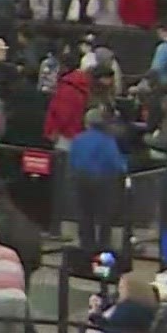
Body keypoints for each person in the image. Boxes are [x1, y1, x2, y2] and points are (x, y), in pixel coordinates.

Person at [68, 108, 128, 257]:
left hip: (82, 178)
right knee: (104, 215)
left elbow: (73, 160)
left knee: (84, 213)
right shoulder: (107, 140)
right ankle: (103, 245)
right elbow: (116, 164)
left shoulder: (78, 139)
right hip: (104, 180)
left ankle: (86, 245)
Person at [88, 271, 158, 333]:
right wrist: (97, 316)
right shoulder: (149, 309)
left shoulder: (126, 308)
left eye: (121, 288)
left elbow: (113, 330)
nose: (119, 291)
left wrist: (95, 316)